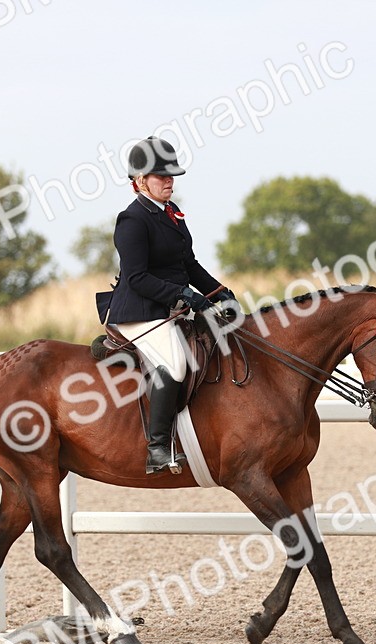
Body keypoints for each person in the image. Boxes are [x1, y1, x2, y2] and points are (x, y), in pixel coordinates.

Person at [102, 136, 238, 475]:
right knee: (176, 363)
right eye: (160, 175)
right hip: (139, 313)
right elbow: (136, 277)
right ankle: (158, 448)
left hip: (166, 308)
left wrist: (219, 292)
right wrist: (184, 295)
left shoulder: (173, 216)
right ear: (139, 181)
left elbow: (189, 266)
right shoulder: (132, 220)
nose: (169, 180)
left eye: (171, 175)